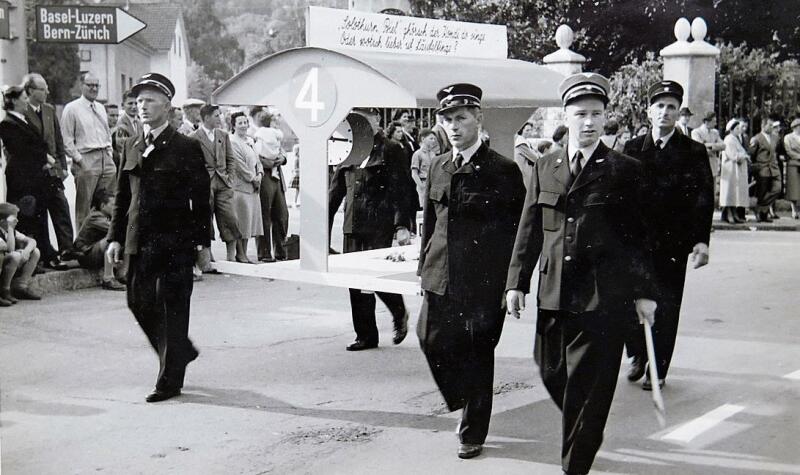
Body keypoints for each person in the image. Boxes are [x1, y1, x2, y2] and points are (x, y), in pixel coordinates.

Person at [505, 73, 657, 475]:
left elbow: (639, 238)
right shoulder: (546, 165)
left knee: (590, 386)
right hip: (554, 290)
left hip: (602, 295)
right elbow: (529, 226)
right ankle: (586, 426)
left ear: (606, 117)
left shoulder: (624, 169)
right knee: (552, 369)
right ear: (566, 116)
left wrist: (644, 292)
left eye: (597, 114)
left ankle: (576, 463)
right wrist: (516, 282)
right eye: (580, 114)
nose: (589, 123)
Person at [417, 84, 525, 460]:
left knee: (479, 354)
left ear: (479, 118)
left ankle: (472, 431)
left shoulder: (504, 170)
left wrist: (513, 284)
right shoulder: (438, 165)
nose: (453, 126)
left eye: (461, 118)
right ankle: (465, 396)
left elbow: (519, 233)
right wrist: (422, 271)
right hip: (440, 273)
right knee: (428, 338)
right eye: (447, 119)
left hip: (483, 281)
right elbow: (430, 222)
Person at [106, 73, 211, 403]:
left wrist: (202, 244)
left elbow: (202, 199)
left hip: (174, 243)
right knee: (136, 300)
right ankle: (179, 351)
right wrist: (115, 238)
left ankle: (170, 380)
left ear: (167, 106)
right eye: (138, 101)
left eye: (149, 100)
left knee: (173, 307)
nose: (142, 106)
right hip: (140, 240)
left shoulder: (186, 147)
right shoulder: (132, 145)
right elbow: (123, 196)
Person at [622, 80, 714, 390]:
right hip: (636, 245)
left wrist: (701, 240)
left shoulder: (693, 151)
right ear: (649, 111)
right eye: (659, 106)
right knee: (630, 300)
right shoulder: (632, 148)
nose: (665, 112)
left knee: (668, 306)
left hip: (673, 244)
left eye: (671, 107)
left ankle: (658, 369)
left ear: (678, 113)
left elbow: (703, 198)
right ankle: (637, 353)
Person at [328, 107, 412, 352]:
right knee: (354, 281)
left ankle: (399, 313)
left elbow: (401, 191)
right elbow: (335, 192)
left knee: (377, 278)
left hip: (379, 224)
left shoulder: (391, 149)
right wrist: (321, 228)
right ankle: (365, 336)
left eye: (365, 118)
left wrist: (401, 225)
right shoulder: (347, 149)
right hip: (353, 223)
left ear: (376, 120)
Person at [0, 85, 55, 271]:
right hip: (22, 179)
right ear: (14, 100)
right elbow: (22, 151)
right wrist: (44, 158)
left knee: (36, 217)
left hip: (34, 177)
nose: (26, 101)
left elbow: (38, 144)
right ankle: (27, 262)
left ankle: (37, 257)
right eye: (23, 98)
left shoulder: (22, 121)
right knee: (25, 216)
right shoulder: (7, 124)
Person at [22, 73, 74, 269]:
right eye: (42, 89)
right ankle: (46, 254)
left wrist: (62, 167)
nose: (47, 92)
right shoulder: (23, 112)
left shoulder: (50, 110)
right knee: (40, 214)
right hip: (35, 175)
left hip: (53, 173)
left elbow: (58, 142)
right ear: (30, 91)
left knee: (61, 207)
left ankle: (67, 249)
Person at [60, 73, 116, 228]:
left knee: (107, 203)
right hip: (86, 158)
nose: (94, 88)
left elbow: (106, 132)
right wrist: (79, 160)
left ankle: (102, 243)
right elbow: (66, 139)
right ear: (81, 85)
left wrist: (109, 153)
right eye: (90, 85)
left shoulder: (100, 108)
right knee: (84, 207)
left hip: (105, 158)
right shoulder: (72, 109)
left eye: (97, 85)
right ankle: (82, 245)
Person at [190, 104, 242, 264]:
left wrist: (230, 178)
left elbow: (230, 159)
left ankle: (231, 256)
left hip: (223, 182)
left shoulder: (223, 135)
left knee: (230, 218)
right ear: (206, 118)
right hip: (204, 184)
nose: (219, 118)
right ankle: (208, 257)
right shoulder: (194, 137)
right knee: (205, 219)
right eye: (216, 115)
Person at [253, 110, 289, 262]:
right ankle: (265, 252)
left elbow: (282, 151)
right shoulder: (255, 135)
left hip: (276, 175)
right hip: (265, 174)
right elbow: (257, 155)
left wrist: (282, 158)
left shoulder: (272, 134)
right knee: (264, 215)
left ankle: (280, 250)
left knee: (282, 215)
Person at [228, 111, 263, 263]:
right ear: (234, 125)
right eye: (240, 123)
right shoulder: (233, 141)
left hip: (254, 187)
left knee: (249, 222)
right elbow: (238, 165)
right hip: (241, 187)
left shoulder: (250, 141)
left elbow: (257, 160)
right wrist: (252, 178)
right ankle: (240, 253)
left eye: (245, 122)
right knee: (241, 221)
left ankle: (245, 253)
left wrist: (260, 174)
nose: (243, 125)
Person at [73, 188, 125, 290]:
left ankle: (122, 274)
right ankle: (108, 279)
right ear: (102, 206)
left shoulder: (107, 216)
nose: (115, 208)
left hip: (94, 252)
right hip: (86, 256)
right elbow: (117, 229)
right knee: (113, 238)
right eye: (112, 205)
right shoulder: (95, 217)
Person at [0, 202, 42, 303]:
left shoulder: (12, 232)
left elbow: (32, 241)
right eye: (14, 219)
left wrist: (26, 252)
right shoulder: (7, 230)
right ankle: (5, 290)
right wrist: (10, 228)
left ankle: (20, 286)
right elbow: (10, 249)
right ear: (2, 221)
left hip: (7, 264)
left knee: (35, 252)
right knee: (15, 255)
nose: (17, 221)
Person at [750, 115, 782, 222]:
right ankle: (763, 214)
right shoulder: (756, 138)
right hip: (762, 168)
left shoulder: (775, 137)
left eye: (772, 125)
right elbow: (752, 155)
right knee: (763, 191)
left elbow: (775, 151)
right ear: (763, 126)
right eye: (769, 125)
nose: (771, 127)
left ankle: (759, 207)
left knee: (777, 189)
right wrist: (756, 168)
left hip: (774, 168)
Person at [720, 119, 751, 223]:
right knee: (730, 192)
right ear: (731, 129)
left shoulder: (735, 139)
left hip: (736, 170)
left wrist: (744, 156)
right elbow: (733, 155)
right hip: (730, 170)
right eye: (737, 128)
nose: (739, 130)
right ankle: (729, 213)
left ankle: (734, 213)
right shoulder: (729, 139)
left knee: (735, 193)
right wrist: (744, 156)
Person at [691, 112, 725, 206]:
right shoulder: (696, 132)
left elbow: (723, 145)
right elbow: (698, 146)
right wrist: (709, 147)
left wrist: (709, 146)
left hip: (712, 166)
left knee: (711, 191)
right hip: (701, 166)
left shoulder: (715, 132)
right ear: (706, 121)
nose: (715, 123)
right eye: (714, 121)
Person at [410, 128, 438, 207]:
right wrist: (422, 187)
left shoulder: (433, 154)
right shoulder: (417, 154)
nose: (433, 141)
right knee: (425, 209)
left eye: (434, 139)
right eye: (431, 138)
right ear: (423, 139)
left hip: (433, 185)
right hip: (423, 183)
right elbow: (414, 174)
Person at [782, 118, 800, 219]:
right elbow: (788, 151)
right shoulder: (788, 137)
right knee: (794, 189)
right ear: (795, 127)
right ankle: (794, 209)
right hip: (793, 164)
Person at [289, 143, 300, 207]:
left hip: (299, 175)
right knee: (297, 190)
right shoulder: (296, 159)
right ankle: (294, 202)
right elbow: (295, 168)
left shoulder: (299, 158)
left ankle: (295, 201)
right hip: (298, 176)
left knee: (298, 190)